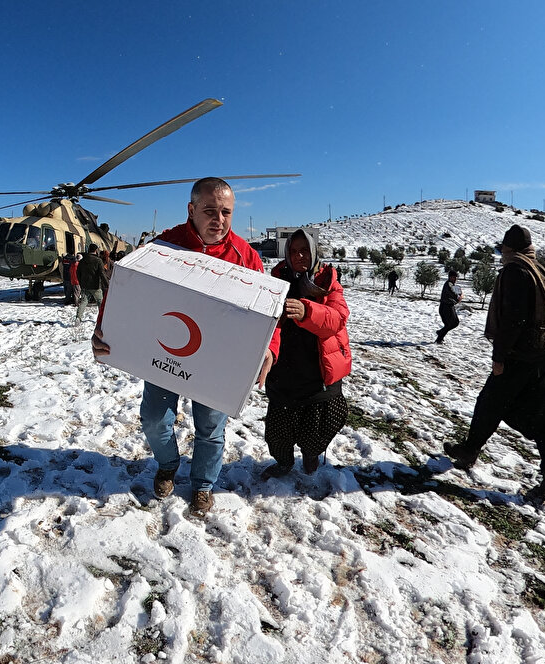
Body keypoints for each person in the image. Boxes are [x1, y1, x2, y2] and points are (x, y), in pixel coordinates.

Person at [91, 177, 279, 516]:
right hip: (165, 351)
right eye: (209, 211)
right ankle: (167, 465)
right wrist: (104, 328)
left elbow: (267, 314)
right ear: (191, 210)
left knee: (210, 428)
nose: (218, 220)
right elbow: (128, 287)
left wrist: (270, 349)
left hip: (216, 361)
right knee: (153, 418)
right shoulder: (165, 247)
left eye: (226, 212)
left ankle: (203, 485)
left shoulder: (246, 256)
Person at [444, 225, 545, 501]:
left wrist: (499, 357)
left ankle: (470, 450)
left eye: (501, 250)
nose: (500, 255)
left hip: (520, 357)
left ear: (510, 249)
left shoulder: (516, 270)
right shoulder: (538, 268)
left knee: (490, 402)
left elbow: (514, 319)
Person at [262, 229, 352, 477]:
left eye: (304, 250)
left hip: (317, 372)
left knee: (319, 425)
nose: (299, 255)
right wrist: (269, 351)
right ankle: (283, 463)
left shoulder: (327, 282)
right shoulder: (278, 280)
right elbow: (272, 324)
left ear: (313, 252)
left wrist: (307, 311)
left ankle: (311, 453)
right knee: (278, 432)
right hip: (285, 370)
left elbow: (337, 319)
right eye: (293, 251)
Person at [76, 244, 107, 322]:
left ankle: (78, 317)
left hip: (85, 285)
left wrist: (81, 282)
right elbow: (102, 273)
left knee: (83, 302)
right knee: (100, 302)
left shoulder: (82, 260)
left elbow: (78, 272)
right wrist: (107, 285)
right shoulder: (98, 260)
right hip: (96, 286)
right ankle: (103, 318)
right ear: (96, 251)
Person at [435, 271, 462, 343]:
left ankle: (440, 335)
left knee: (452, 324)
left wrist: (459, 296)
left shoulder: (452, 285)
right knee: (452, 323)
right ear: (450, 277)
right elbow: (451, 294)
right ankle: (439, 337)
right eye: (453, 277)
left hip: (449, 306)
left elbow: (457, 294)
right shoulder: (448, 285)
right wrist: (458, 297)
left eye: (456, 277)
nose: (455, 279)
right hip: (446, 307)